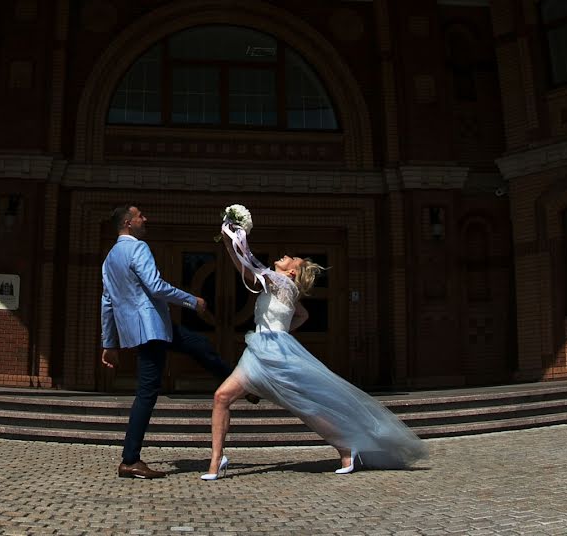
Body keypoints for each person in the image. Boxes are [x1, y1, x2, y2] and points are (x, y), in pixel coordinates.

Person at [201, 218, 428, 480]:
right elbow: (302, 315)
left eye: (291, 259)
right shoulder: (285, 289)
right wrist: (231, 244)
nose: (285, 256)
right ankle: (217, 461)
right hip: (258, 352)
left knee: (306, 407)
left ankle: (346, 447)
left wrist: (235, 241)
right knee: (222, 398)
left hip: (274, 354)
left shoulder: (282, 283)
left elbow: (251, 269)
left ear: (292, 273)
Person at [101, 203, 237, 479]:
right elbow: (155, 285)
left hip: (155, 328)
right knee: (147, 393)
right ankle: (130, 460)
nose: (145, 218)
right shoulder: (138, 248)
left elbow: (106, 302)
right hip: (151, 330)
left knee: (199, 346)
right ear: (128, 223)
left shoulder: (110, 258)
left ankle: (242, 384)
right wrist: (192, 301)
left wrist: (109, 343)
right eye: (140, 216)